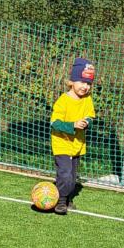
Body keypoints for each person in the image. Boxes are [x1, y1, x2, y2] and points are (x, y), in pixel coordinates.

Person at [50, 58, 96, 215]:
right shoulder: (63, 101)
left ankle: (68, 198)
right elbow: (54, 123)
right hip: (62, 144)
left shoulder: (87, 99)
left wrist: (87, 122)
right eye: (82, 82)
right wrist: (72, 125)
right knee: (64, 173)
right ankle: (60, 201)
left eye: (88, 83)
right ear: (72, 82)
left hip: (77, 145)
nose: (85, 86)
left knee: (72, 175)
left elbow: (90, 116)